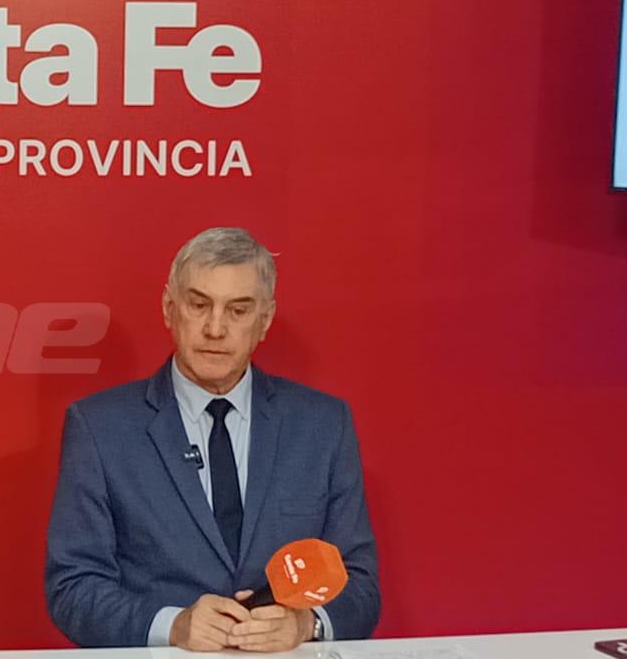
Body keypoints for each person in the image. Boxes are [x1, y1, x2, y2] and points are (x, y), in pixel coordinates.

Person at [45, 228, 379, 652]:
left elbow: (359, 584)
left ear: (265, 320)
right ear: (169, 308)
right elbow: (72, 587)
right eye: (199, 305)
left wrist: (306, 623)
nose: (215, 328)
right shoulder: (99, 427)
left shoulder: (323, 424)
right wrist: (172, 626)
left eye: (238, 310)